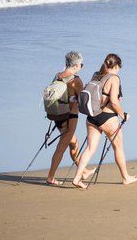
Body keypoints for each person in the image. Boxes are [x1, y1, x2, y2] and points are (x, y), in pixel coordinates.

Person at [72, 53, 137, 188]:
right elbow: (114, 102)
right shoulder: (114, 78)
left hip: (92, 117)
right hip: (107, 118)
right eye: (119, 67)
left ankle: (78, 178)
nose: (119, 70)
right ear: (116, 66)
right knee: (118, 147)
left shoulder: (96, 74)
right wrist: (123, 115)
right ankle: (126, 177)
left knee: (90, 148)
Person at [46, 51, 94, 186]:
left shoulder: (58, 76)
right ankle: (50, 177)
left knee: (73, 143)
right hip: (70, 116)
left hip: (57, 116)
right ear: (76, 65)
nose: (82, 67)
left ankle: (83, 171)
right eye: (81, 64)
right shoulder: (76, 80)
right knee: (61, 147)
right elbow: (83, 100)